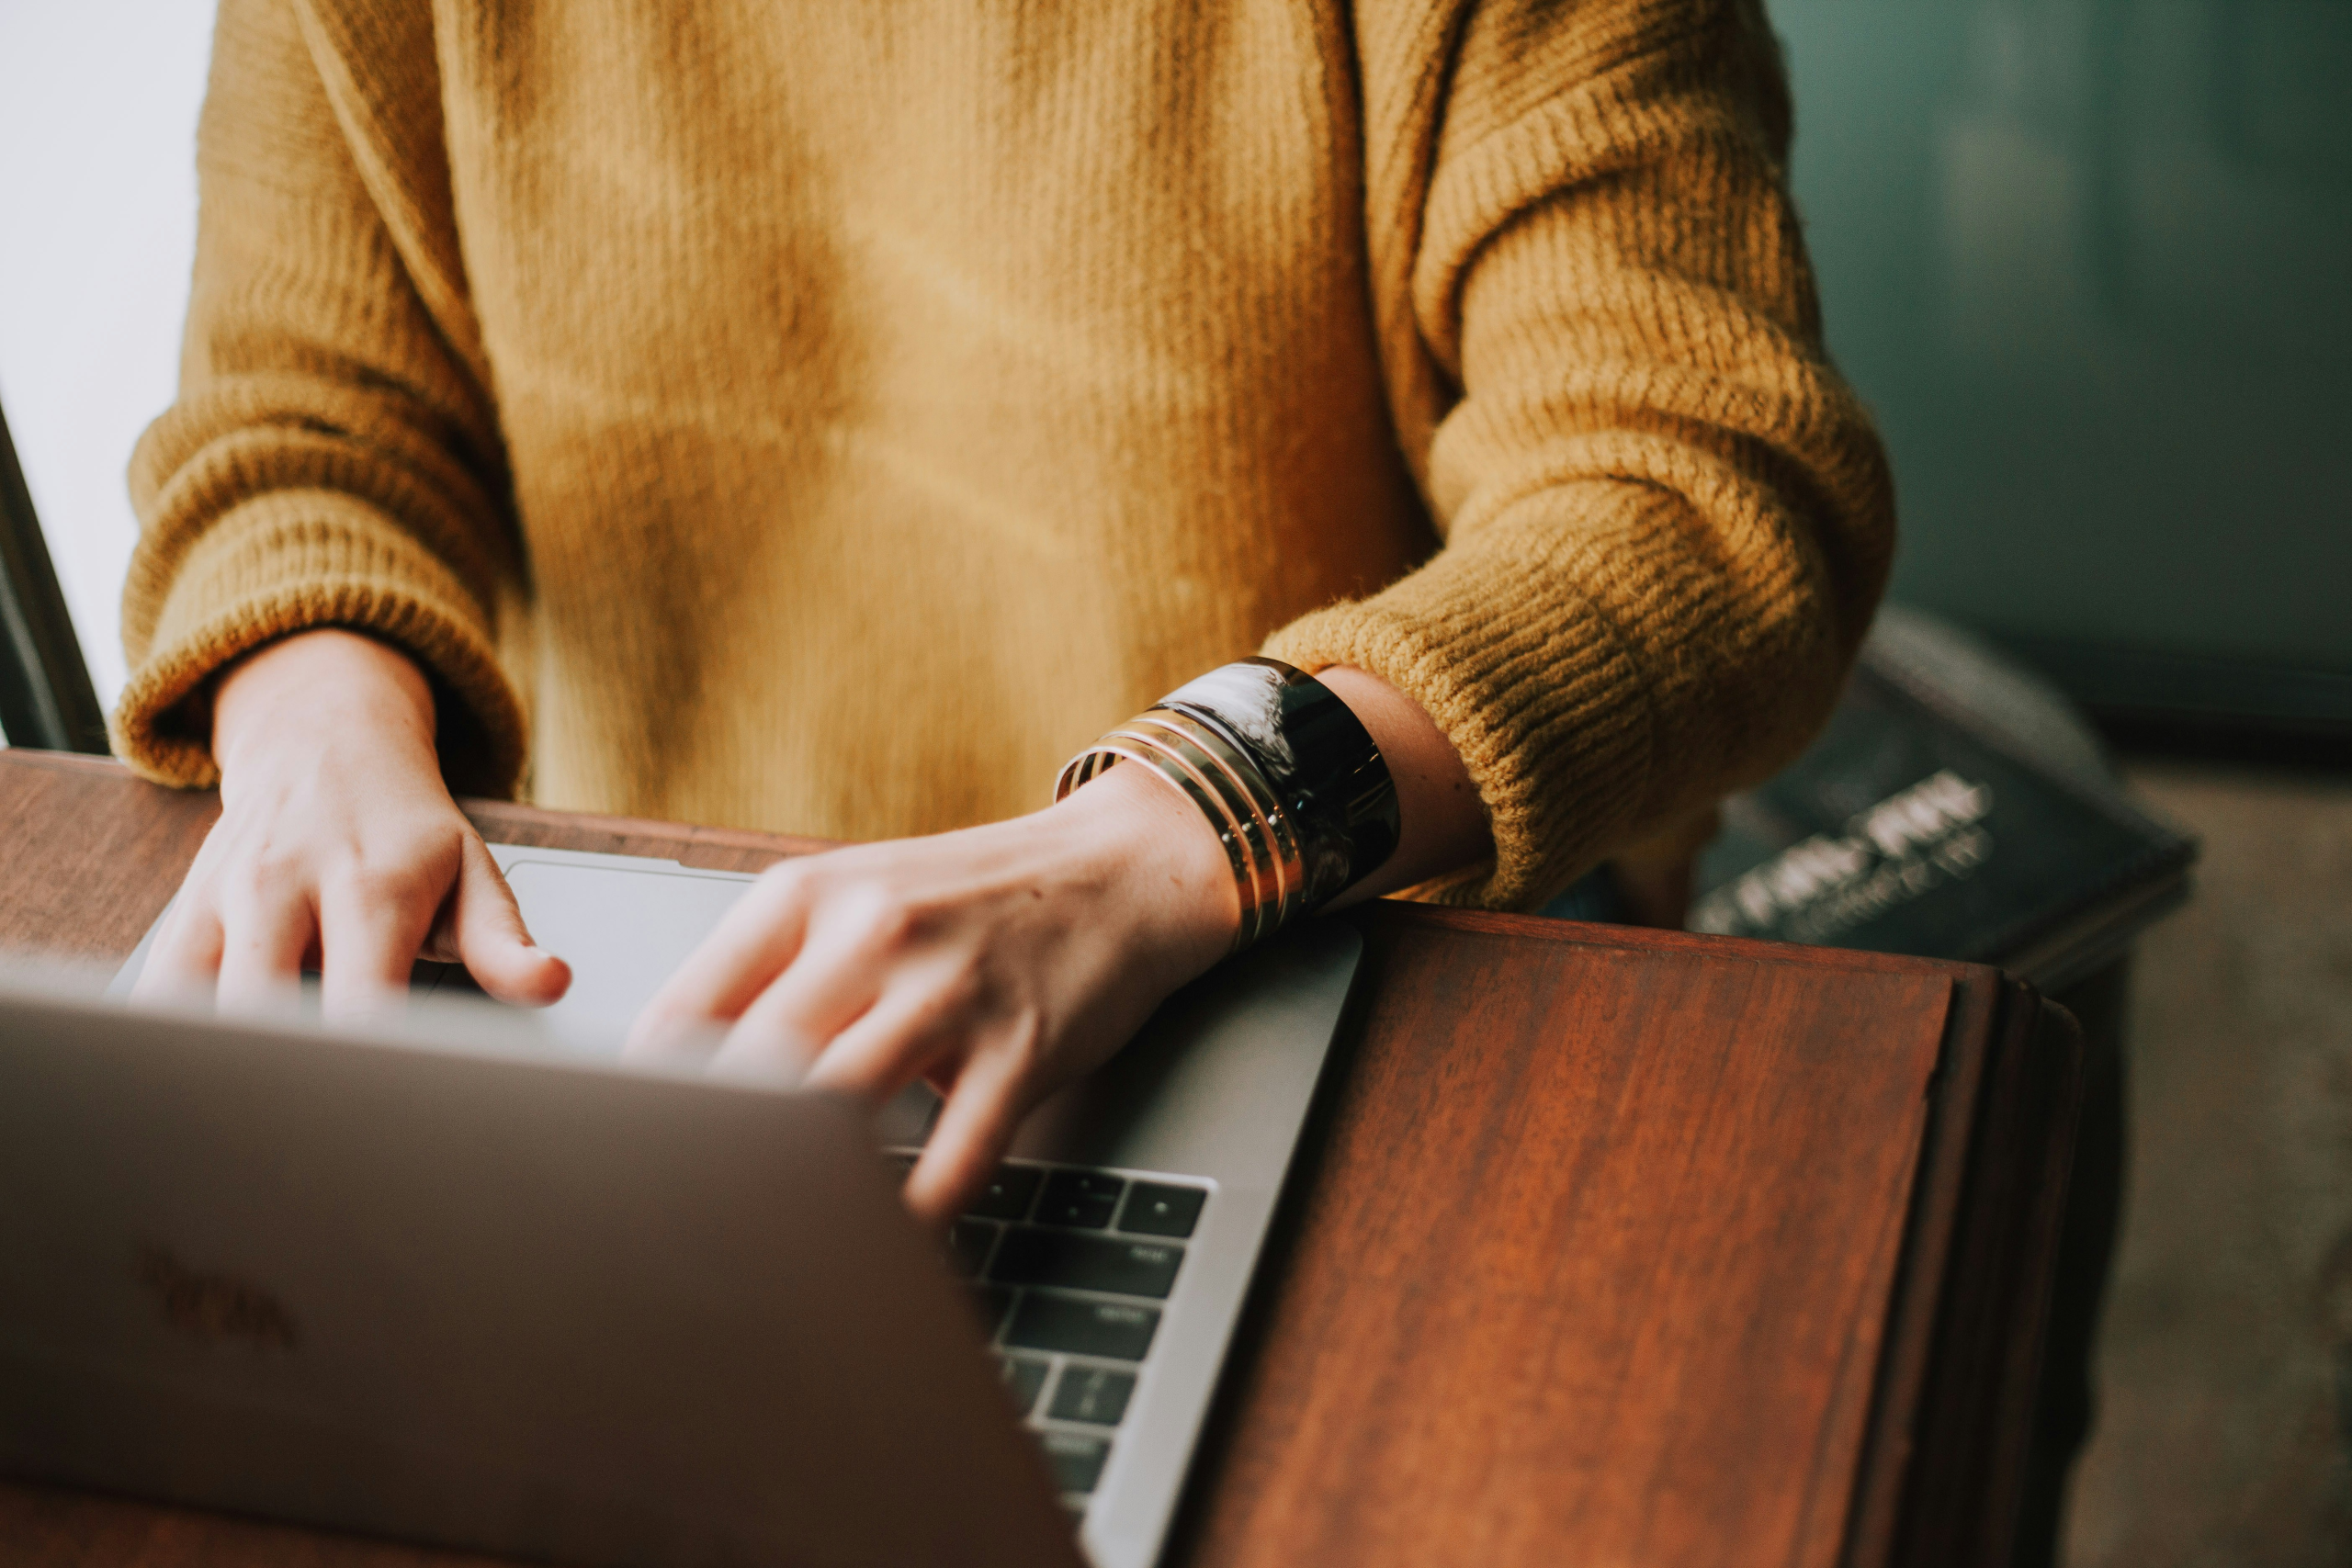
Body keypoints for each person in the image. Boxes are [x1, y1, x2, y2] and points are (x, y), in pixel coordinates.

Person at [114, 0, 1894, 1226]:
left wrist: (1182, 826)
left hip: (1330, 934)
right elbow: (296, 425)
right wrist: (310, 715)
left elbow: (1700, 491)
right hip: (668, 996)